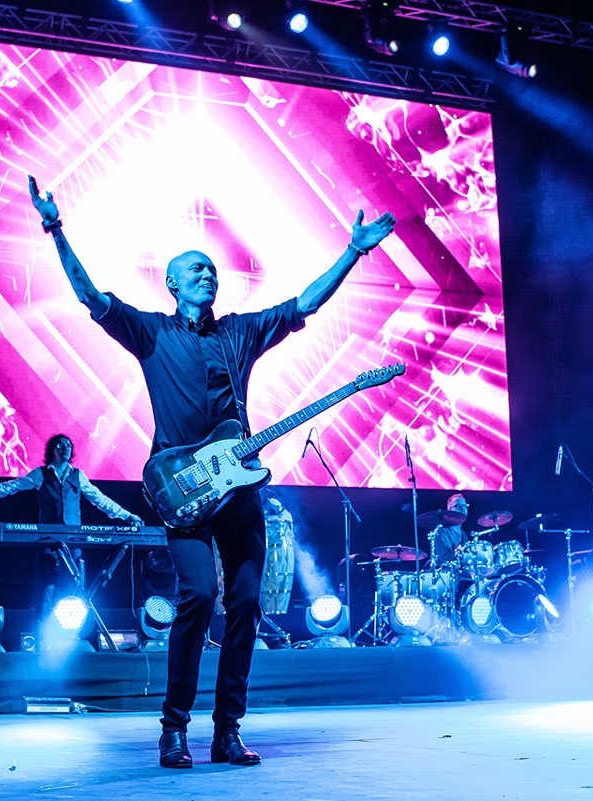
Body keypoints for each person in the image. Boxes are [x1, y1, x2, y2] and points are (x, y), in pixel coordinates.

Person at [27, 174, 395, 769]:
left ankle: (228, 730)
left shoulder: (239, 332)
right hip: (181, 492)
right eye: (195, 269)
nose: (208, 274)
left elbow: (304, 304)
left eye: (212, 269)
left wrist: (353, 251)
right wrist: (55, 229)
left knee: (246, 604)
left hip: (240, 492)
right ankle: (173, 729)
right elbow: (91, 298)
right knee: (198, 596)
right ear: (172, 284)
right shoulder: (152, 331)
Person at [0, 433, 143, 528]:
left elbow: (100, 500)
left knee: (74, 579)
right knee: (48, 580)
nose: (65, 448)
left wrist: (127, 516)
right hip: (47, 534)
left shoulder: (78, 475)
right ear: (52, 450)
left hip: (73, 535)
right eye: (60, 445)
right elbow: (10, 487)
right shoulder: (40, 474)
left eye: (68, 446)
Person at [432, 492, 468, 567]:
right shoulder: (441, 531)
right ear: (449, 510)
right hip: (445, 572)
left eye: (464, 506)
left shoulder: (464, 534)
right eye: (457, 505)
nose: (462, 508)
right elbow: (444, 558)